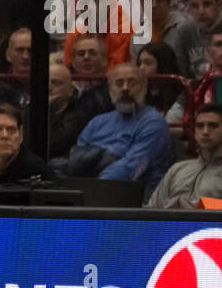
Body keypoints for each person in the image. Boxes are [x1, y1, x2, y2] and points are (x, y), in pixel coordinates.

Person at [61, 62, 174, 197]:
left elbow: (132, 166)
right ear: (110, 88)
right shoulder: (98, 122)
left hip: (136, 196)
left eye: (132, 83)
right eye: (119, 83)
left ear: (144, 86)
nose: (125, 88)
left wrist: (91, 190)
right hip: (94, 190)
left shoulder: (153, 122)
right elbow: (76, 160)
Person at [146, 103, 222, 209]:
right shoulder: (177, 169)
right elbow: (152, 209)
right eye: (200, 126)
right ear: (195, 133)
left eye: (213, 126)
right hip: (168, 225)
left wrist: (182, 204)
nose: (205, 132)